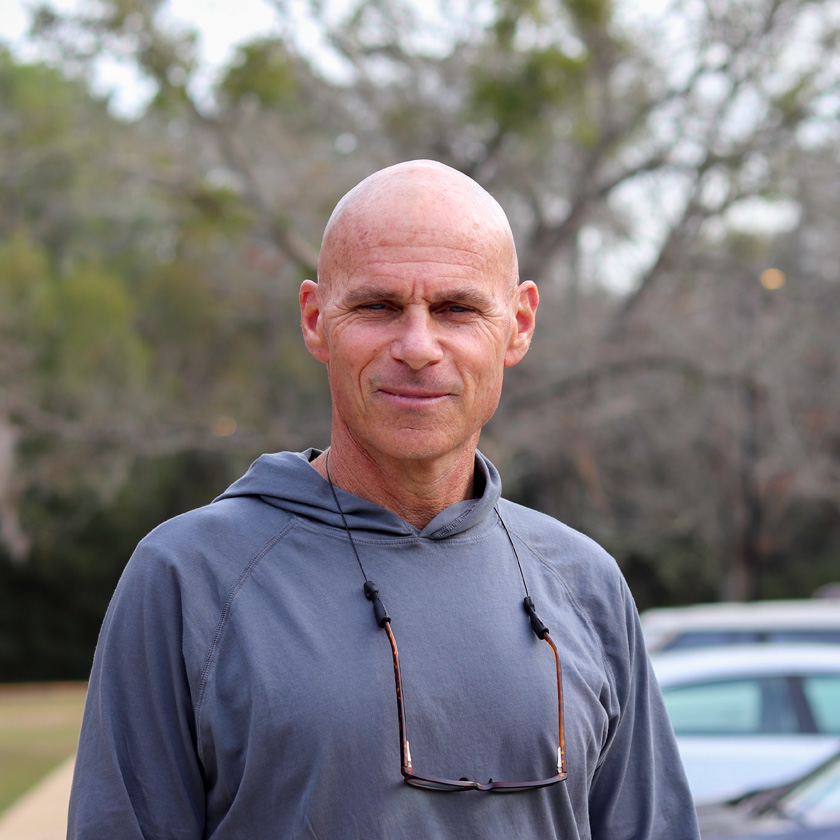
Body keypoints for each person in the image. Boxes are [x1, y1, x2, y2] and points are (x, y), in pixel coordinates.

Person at [68, 160, 699, 839]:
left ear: (518, 324)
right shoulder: (188, 577)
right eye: (378, 307)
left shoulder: (585, 584)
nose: (419, 346)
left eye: (457, 309)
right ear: (316, 321)